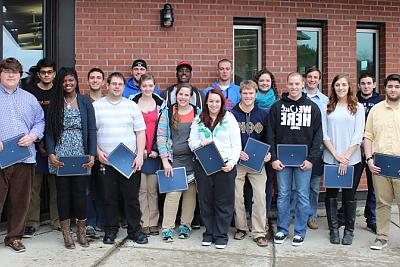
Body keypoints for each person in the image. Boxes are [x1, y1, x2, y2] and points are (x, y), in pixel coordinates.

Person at [267, 72, 322, 247]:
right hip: (281, 162)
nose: (294, 87)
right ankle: (282, 229)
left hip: (304, 162)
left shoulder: (312, 107)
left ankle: (299, 231)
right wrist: (273, 158)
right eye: (291, 84)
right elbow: (271, 135)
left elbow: (317, 136)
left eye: (297, 84)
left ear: (303, 84)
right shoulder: (277, 107)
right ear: (287, 84)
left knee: (302, 195)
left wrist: (312, 159)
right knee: (283, 195)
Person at [93, 72, 148, 245]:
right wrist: (97, 152)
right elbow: (91, 133)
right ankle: (111, 230)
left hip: (128, 161)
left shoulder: (131, 106)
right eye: (114, 83)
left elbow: (140, 132)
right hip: (106, 161)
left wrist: (139, 155)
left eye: (120, 84)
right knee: (109, 198)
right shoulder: (97, 106)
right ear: (107, 85)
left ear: (123, 87)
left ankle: (134, 231)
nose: (117, 87)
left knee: (131, 198)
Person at [46, 67, 96, 249]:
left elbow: (91, 129)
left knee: (80, 194)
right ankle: (67, 234)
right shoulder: (55, 102)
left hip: (81, 152)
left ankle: (81, 233)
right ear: (60, 83)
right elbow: (49, 131)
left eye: (71, 80)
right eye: (64, 81)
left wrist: (92, 154)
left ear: (76, 81)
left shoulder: (84, 101)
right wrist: (51, 153)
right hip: (60, 153)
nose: (68, 84)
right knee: (63, 194)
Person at [0, 57, 45, 252]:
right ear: (0, 74)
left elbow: (40, 121)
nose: (11, 75)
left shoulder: (29, 98)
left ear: (20, 76)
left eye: (15, 72)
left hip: (24, 158)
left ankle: (14, 237)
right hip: (1, 158)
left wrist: (33, 135)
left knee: (20, 200)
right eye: (7, 71)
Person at [189, 89, 241, 249]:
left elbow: (236, 144)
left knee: (223, 202)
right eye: (211, 101)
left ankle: (220, 235)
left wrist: (232, 163)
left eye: (217, 101)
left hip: (224, 165)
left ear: (222, 103)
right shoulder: (198, 119)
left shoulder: (229, 119)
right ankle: (209, 233)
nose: (214, 104)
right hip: (204, 165)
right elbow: (191, 141)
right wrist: (199, 144)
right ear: (206, 102)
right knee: (206, 201)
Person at [322, 74, 365, 245]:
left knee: (349, 195)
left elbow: (358, 134)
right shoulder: (327, 107)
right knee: (331, 195)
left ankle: (349, 230)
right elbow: (324, 134)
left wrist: (346, 157)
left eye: (344, 85)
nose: (341, 88)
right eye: (337, 85)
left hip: (352, 160)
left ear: (349, 87)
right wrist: (335, 154)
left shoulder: (358, 107)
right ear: (333, 87)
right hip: (331, 157)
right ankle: (333, 230)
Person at [157, 83, 200, 242]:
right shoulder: (167, 113)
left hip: (193, 161)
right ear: (176, 95)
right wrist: (165, 160)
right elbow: (161, 137)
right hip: (174, 161)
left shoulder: (198, 113)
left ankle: (185, 226)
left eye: (186, 95)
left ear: (191, 97)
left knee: (190, 195)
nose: (183, 97)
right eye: (180, 94)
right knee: (173, 194)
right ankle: (167, 227)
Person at [230, 80, 271, 247]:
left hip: (257, 162)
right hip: (238, 161)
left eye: (251, 93)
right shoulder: (232, 115)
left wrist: (269, 154)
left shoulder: (263, 114)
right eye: (245, 93)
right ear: (240, 94)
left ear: (255, 94)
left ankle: (259, 232)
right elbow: (226, 138)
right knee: (237, 195)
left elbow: (270, 137)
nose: (248, 96)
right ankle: (241, 227)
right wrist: (235, 152)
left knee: (260, 196)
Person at [23, 58, 60, 238]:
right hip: (34, 144)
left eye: (49, 72)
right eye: (43, 72)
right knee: (33, 186)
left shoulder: (59, 91)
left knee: (56, 186)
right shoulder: (29, 92)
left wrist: (52, 143)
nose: (46, 75)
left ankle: (58, 221)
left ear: (54, 74)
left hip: (56, 144)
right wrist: (38, 141)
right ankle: (31, 223)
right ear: (38, 74)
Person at [364, 74, 400, 250]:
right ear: (385, 88)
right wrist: (369, 159)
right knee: (382, 203)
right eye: (390, 86)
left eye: (397, 87)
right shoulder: (376, 109)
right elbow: (368, 136)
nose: (393, 90)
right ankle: (382, 237)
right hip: (380, 165)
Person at [132, 73, 164, 236]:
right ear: (140, 86)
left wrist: (155, 150)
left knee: (153, 189)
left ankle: (153, 222)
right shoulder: (133, 102)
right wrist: (141, 150)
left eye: (150, 86)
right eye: (144, 86)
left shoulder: (160, 103)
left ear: (154, 86)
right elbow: (131, 129)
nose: (147, 89)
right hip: (139, 152)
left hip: (154, 152)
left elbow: (163, 128)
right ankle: (143, 221)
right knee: (141, 189)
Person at [356, 73, 382, 233]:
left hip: (374, 150)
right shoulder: (354, 101)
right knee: (351, 185)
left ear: (374, 84)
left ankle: (371, 218)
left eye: (368, 83)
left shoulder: (380, 103)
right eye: (363, 83)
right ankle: (344, 214)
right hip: (357, 150)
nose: (366, 86)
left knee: (374, 188)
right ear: (359, 85)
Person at [303, 67, 329, 230]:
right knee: (295, 185)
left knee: (313, 185)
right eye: (309, 77)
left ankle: (311, 215)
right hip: (298, 147)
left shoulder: (325, 101)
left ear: (319, 80)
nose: (312, 80)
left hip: (317, 148)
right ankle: (296, 213)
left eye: (315, 77)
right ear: (305, 79)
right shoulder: (298, 96)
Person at [253, 68, 279, 232]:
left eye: (267, 81)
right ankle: (252, 216)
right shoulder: (251, 100)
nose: (264, 83)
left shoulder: (276, 102)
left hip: (271, 147)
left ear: (271, 83)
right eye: (261, 80)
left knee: (268, 183)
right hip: (254, 147)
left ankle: (266, 215)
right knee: (253, 186)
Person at [85, 67, 106, 238]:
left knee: (103, 189)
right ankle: (89, 222)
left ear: (103, 82)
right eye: (92, 77)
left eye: (98, 78)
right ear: (88, 81)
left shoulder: (108, 102)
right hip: (87, 152)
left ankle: (102, 221)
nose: (95, 80)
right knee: (86, 189)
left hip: (105, 153)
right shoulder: (83, 101)